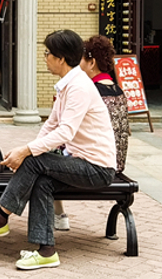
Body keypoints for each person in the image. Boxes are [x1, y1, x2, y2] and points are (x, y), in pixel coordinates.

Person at [0, 29, 117, 271]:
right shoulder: (68, 85)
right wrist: (25, 152)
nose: (44, 57)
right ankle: (46, 251)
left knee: (34, 161)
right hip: (78, 163)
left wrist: (27, 152)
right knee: (40, 179)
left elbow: (65, 132)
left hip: (96, 168)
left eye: (47, 53)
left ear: (61, 58)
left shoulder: (79, 87)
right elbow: (51, 125)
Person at [52, 34, 131, 231]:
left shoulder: (88, 90)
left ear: (91, 62)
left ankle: (58, 215)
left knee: (46, 159)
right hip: (117, 160)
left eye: (81, 60)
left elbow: (66, 131)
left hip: (96, 163)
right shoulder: (117, 89)